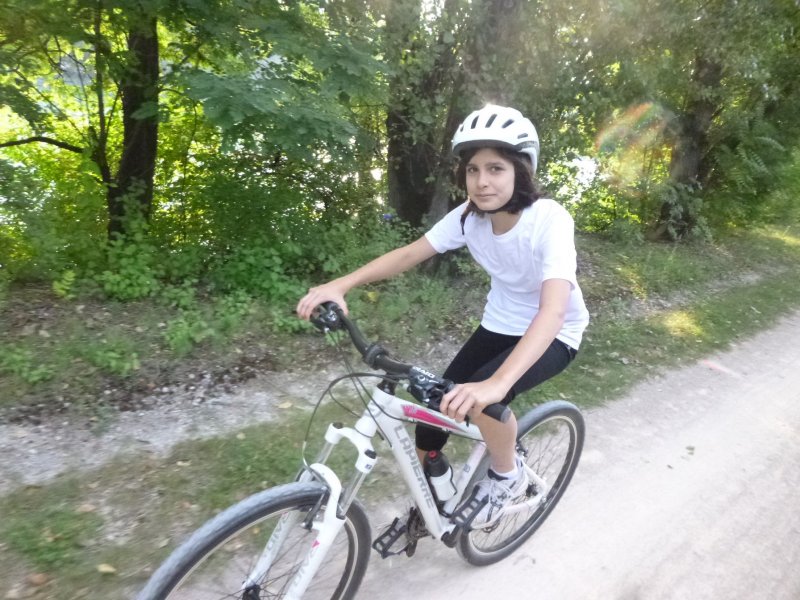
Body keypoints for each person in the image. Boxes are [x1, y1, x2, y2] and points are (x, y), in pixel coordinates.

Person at [296, 104, 589, 528]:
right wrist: (342, 284)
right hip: (499, 324)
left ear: (521, 171)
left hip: (556, 334)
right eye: (473, 170)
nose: (482, 181)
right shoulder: (469, 218)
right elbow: (411, 253)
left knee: (485, 404)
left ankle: (507, 475)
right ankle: (440, 494)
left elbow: (553, 308)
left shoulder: (549, 219)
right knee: (435, 416)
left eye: (495, 168)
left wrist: (496, 384)